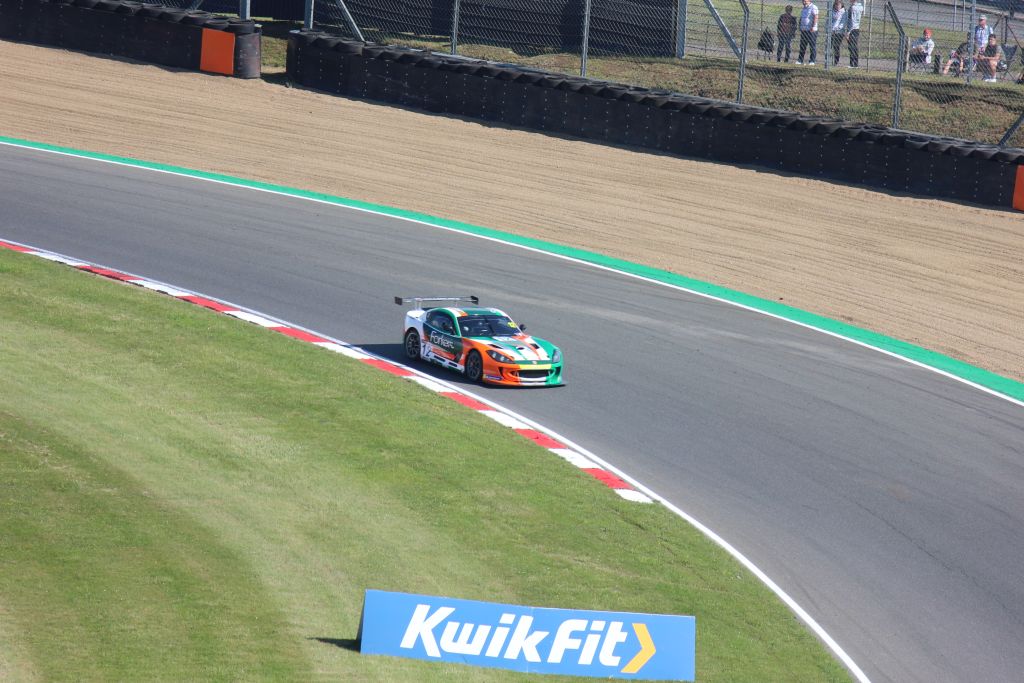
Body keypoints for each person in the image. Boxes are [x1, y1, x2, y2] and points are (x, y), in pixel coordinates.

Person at [797, 0, 819, 65]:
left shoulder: (814, 7)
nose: (804, 2)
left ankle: (812, 61)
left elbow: (816, 17)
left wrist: (813, 26)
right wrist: (800, 26)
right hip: (804, 30)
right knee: (802, 46)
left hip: (811, 31)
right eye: (803, 1)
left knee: (812, 46)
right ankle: (800, 60)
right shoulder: (804, 8)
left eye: (805, 1)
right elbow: (802, 18)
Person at [846, 0, 864, 67]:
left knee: (852, 47)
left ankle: (852, 64)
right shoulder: (860, 6)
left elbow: (852, 20)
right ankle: (855, 64)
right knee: (854, 47)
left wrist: (848, 32)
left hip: (852, 29)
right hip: (857, 28)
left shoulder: (853, 7)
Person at [829, 0, 847, 66]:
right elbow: (829, 20)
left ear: (841, 5)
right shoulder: (832, 11)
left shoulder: (844, 12)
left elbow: (843, 23)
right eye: (836, 5)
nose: (837, 6)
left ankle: (836, 61)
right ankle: (828, 60)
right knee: (829, 46)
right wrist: (830, 28)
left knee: (836, 46)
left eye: (838, 5)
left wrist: (837, 29)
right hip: (831, 31)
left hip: (839, 32)